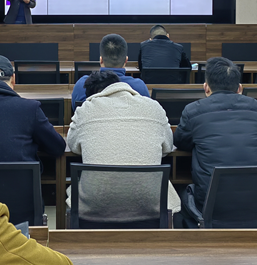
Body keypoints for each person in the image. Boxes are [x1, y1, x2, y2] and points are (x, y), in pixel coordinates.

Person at [66, 71, 181, 223]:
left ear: (93, 95)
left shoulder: (85, 109)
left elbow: (73, 145)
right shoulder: (154, 107)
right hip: (151, 203)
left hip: (95, 204)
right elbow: (167, 146)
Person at [173, 57, 257, 227]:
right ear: (240, 89)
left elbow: (181, 142)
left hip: (213, 209)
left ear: (206, 87)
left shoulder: (193, 110)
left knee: (178, 191)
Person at [71, 33, 149, 110]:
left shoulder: (82, 85)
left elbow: (76, 112)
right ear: (126, 60)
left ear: (101, 60)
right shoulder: (140, 87)